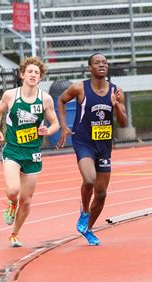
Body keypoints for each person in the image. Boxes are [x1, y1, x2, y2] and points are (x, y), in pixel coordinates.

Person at [56, 53, 127, 246]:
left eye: (104, 62)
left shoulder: (117, 91)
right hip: (84, 142)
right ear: (90, 68)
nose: (102, 65)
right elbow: (61, 100)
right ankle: (85, 211)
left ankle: (88, 229)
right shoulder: (80, 87)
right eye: (97, 63)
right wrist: (64, 126)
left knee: (102, 193)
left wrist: (116, 106)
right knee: (89, 179)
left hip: (104, 146)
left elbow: (123, 123)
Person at [0, 56, 59, 247]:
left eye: (36, 73)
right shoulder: (10, 95)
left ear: (40, 78)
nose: (33, 75)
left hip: (33, 154)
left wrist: (48, 130)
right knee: (13, 191)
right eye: (29, 71)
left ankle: (15, 234)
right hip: (13, 150)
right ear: (22, 75)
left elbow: (55, 124)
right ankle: (11, 203)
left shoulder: (45, 99)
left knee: (27, 201)